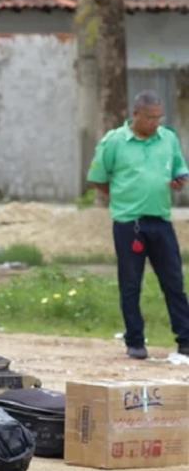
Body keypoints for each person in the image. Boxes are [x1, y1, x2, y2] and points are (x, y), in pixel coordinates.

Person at [87, 90, 189, 360]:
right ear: (135, 115)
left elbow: (179, 169)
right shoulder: (115, 142)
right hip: (128, 223)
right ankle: (135, 341)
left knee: (174, 282)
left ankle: (186, 340)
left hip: (161, 221)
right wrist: (120, 197)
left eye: (159, 117)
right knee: (131, 284)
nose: (155, 122)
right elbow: (98, 177)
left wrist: (179, 180)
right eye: (150, 118)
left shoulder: (168, 139)